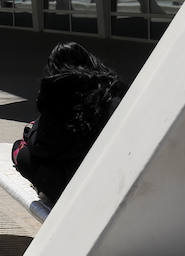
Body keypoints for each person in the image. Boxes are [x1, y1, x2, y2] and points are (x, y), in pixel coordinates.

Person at [11, 42, 127, 203]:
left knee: (22, 154)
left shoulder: (58, 94)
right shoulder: (113, 89)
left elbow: (42, 147)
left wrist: (31, 132)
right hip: (116, 176)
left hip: (74, 186)